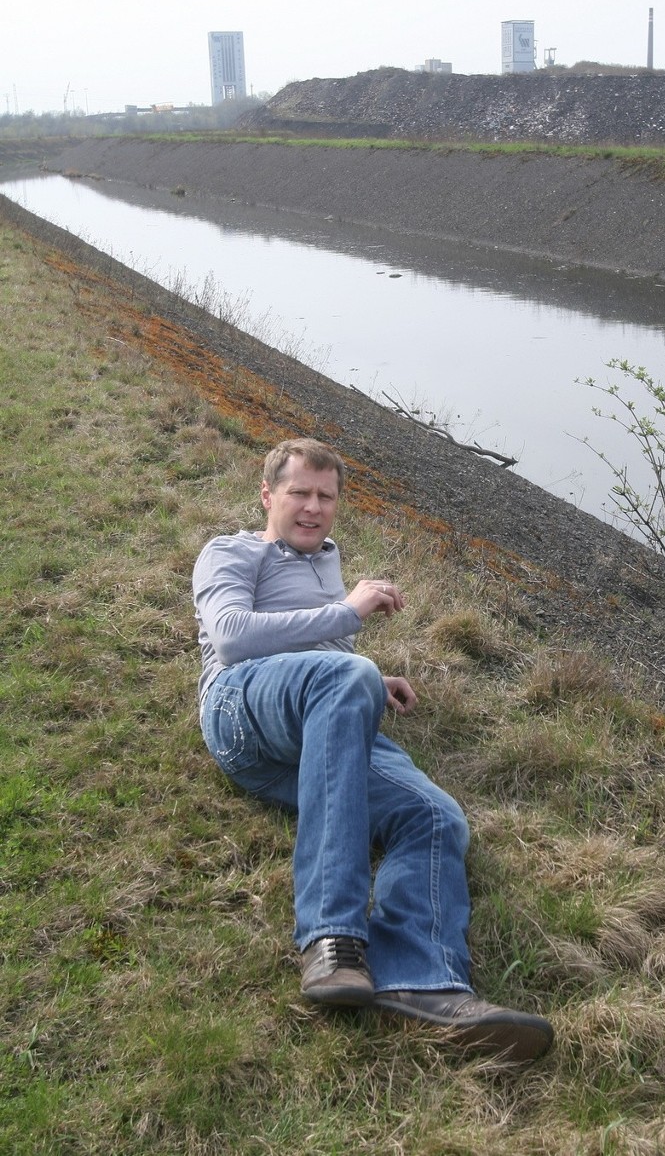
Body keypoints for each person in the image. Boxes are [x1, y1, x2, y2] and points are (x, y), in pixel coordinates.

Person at [192, 437, 554, 1062]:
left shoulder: (327, 561)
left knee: (435, 815)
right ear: (267, 495)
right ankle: (331, 941)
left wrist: (366, 682)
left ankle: (425, 980)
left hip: (324, 718)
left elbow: (325, 651)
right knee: (344, 675)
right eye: (299, 493)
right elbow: (230, 639)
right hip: (241, 714)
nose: (312, 508)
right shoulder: (232, 551)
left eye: (325, 497)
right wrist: (346, 619)